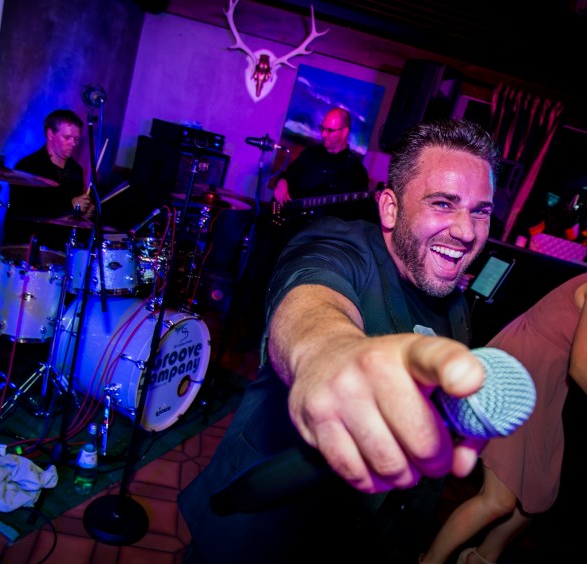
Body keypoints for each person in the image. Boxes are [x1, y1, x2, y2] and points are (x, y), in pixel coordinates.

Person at [178, 119, 501, 563]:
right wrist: (331, 359)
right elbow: (312, 302)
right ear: (390, 208)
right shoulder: (339, 245)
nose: (466, 231)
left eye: (480, 211)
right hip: (264, 537)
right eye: (443, 203)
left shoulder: (456, 305)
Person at [420, 238, 587, 564]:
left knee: (538, 495)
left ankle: (480, 558)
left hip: (547, 387)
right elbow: (583, 368)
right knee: (499, 500)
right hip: (516, 373)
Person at [237, 106, 371, 348]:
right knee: (263, 276)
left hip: (315, 242)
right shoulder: (311, 154)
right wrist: (282, 182)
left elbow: (353, 218)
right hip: (285, 229)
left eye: (330, 130)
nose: (324, 134)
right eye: (322, 129)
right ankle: (250, 334)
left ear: (345, 132)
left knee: (292, 289)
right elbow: (289, 175)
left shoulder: (355, 172)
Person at [3, 109, 94, 251]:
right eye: (67, 137)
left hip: (62, 246)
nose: (73, 144)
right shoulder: (28, 166)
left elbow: (73, 216)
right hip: (30, 244)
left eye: (76, 139)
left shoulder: (76, 170)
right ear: (50, 134)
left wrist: (83, 213)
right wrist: (70, 205)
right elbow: (24, 210)